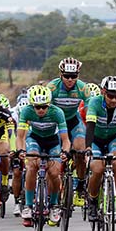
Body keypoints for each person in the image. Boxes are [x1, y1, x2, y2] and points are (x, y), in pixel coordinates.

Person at [16, 85, 70, 227]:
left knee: (54, 172)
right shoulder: (26, 111)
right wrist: (20, 150)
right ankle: (28, 205)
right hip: (34, 139)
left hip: (53, 141)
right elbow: (20, 137)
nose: (41, 110)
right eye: (37, 107)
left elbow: (65, 139)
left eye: (44, 107)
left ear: (49, 105)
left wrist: (65, 152)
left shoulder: (57, 112)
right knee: (32, 165)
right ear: (32, 105)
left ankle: (53, 205)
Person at [85, 76, 116, 223]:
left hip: (114, 137)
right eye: (110, 96)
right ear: (103, 92)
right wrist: (88, 147)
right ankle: (93, 202)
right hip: (95, 139)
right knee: (97, 169)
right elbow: (90, 126)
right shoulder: (94, 102)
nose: (114, 100)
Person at [47, 57, 89, 207]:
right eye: (67, 76)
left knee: (80, 149)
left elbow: (91, 112)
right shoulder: (52, 88)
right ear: (61, 75)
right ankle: (50, 194)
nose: (70, 80)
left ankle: (80, 187)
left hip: (73, 121)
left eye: (74, 77)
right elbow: (45, 111)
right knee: (53, 156)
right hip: (56, 123)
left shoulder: (83, 88)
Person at [9, 95, 29, 216]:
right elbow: (11, 133)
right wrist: (13, 149)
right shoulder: (13, 114)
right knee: (17, 172)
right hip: (16, 139)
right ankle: (17, 201)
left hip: (29, 140)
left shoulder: (34, 113)